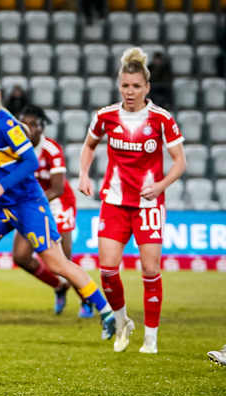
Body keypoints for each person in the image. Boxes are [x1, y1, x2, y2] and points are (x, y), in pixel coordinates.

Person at [0, 73, 116, 341]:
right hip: (1, 206)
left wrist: (2, 185)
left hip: (28, 202)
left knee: (58, 264)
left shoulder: (7, 124)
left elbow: (30, 163)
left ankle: (107, 312)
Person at [79, 47, 186, 354]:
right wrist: (84, 174)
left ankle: (151, 337)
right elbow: (89, 146)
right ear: (119, 85)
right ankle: (122, 321)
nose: (130, 91)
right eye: (125, 85)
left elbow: (179, 162)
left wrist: (162, 185)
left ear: (147, 88)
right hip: (114, 202)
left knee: (150, 270)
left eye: (136, 86)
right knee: (108, 270)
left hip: (149, 205)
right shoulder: (106, 116)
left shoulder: (162, 119)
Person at [16, 105, 93, 318]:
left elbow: (57, 188)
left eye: (33, 124)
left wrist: (32, 203)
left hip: (58, 203)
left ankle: (87, 299)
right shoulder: (15, 148)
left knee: (63, 260)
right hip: (32, 204)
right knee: (21, 257)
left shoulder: (51, 150)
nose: (28, 128)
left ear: (41, 128)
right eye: (24, 123)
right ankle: (59, 287)